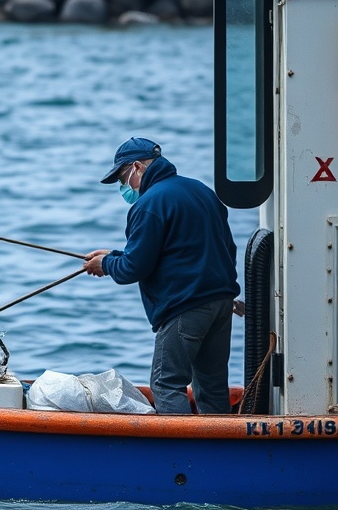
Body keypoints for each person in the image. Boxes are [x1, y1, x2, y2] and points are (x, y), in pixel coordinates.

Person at [83, 137, 240, 414]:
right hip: (221, 304)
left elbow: (134, 269)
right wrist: (115, 254)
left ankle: (180, 455)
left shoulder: (148, 205)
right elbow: (216, 247)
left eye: (123, 178)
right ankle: (217, 450)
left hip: (185, 308)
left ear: (137, 167)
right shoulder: (201, 191)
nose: (125, 187)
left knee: (166, 385)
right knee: (212, 386)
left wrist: (106, 265)